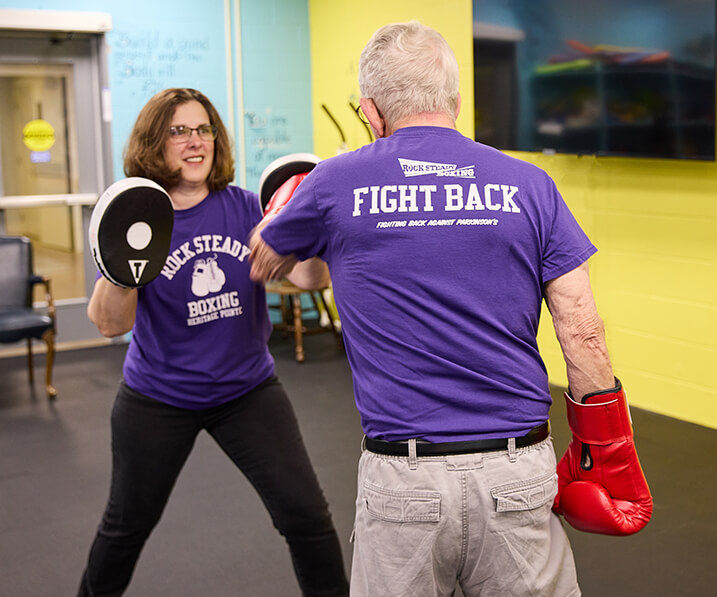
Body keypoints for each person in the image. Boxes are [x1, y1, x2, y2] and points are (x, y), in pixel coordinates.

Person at [249, 21, 650, 597]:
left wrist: (294, 216)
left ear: (370, 111)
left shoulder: (335, 183)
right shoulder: (531, 185)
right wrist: (606, 446)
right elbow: (581, 330)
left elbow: (279, 264)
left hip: (403, 479)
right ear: (456, 102)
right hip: (517, 472)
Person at [77, 88, 349, 597]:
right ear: (154, 143)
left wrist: (311, 237)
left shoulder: (248, 207)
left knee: (307, 517)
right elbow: (110, 324)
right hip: (159, 397)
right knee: (125, 529)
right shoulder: (139, 216)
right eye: (178, 131)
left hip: (246, 391)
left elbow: (312, 279)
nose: (194, 141)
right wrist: (122, 265)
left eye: (203, 129)